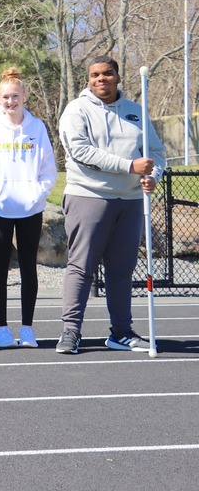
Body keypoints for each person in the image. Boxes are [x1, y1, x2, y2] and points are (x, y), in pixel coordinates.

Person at [56, 56, 165, 354]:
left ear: (118, 76)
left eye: (107, 74)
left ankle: (121, 332)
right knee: (81, 267)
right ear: (88, 79)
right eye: (94, 75)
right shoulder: (76, 110)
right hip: (89, 196)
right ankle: (70, 331)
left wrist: (152, 175)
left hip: (129, 201)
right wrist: (130, 166)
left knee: (121, 270)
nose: (100, 79)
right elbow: (80, 151)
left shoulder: (134, 112)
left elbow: (155, 152)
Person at [0, 68, 57, 348]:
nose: (11, 101)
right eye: (6, 97)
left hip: (31, 208)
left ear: (24, 96)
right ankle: (1, 328)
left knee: (29, 267)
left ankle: (28, 328)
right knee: (0, 267)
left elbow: (47, 167)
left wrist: (39, 192)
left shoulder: (37, 127)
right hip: (0, 207)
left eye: (15, 96)